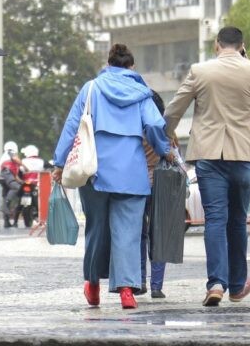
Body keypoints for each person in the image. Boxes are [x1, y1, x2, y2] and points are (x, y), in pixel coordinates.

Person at [53, 44, 173, 310]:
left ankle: (93, 286)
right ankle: (127, 291)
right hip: (132, 173)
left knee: (96, 229)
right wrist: (164, 151)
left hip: (94, 171)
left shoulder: (91, 88)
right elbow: (154, 125)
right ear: (131, 67)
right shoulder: (142, 94)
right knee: (128, 233)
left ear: (108, 64)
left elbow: (73, 125)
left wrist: (60, 163)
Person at [164, 27, 250, 307]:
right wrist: (248, 64)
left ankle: (215, 283)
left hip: (209, 155)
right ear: (242, 45)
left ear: (216, 45)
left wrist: (167, 135)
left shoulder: (200, 71)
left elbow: (173, 110)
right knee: (238, 221)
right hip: (244, 155)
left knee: (215, 219)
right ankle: (237, 286)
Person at [139, 92, 169, 299]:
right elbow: (172, 155)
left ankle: (139, 280)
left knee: (139, 235)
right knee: (159, 234)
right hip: (161, 182)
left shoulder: (134, 129)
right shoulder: (165, 130)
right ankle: (157, 286)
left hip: (137, 183)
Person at [0, 155, 25, 228]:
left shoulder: (14, 166)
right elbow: (15, 158)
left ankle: (6, 222)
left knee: (6, 195)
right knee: (16, 187)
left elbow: (16, 177)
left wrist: (22, 182)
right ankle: (4, 206)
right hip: (7, 173)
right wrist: (25, 167)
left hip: (5, 177)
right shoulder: (10, 153)